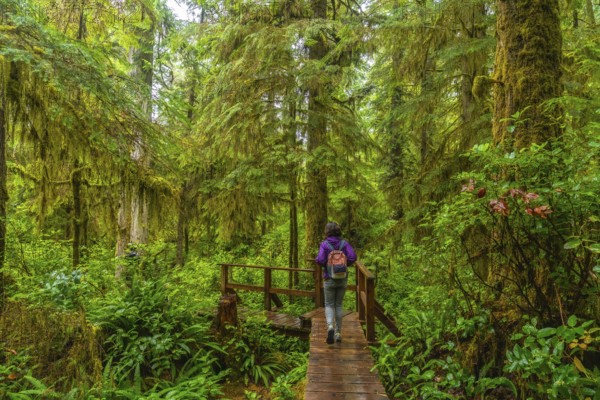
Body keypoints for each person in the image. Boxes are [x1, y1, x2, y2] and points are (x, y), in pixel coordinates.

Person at [315, 222, 357, 344]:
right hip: (342, 278)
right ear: (338, 231)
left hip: (329, 278)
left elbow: (320, 260)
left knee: (329, 304)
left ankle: (330, 327)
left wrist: (325, 264)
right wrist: (344, 264)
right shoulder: (344, 243)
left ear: (327, 232)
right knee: (338, 304)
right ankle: (338, 333)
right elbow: (353, 257)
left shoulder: (324, 244)